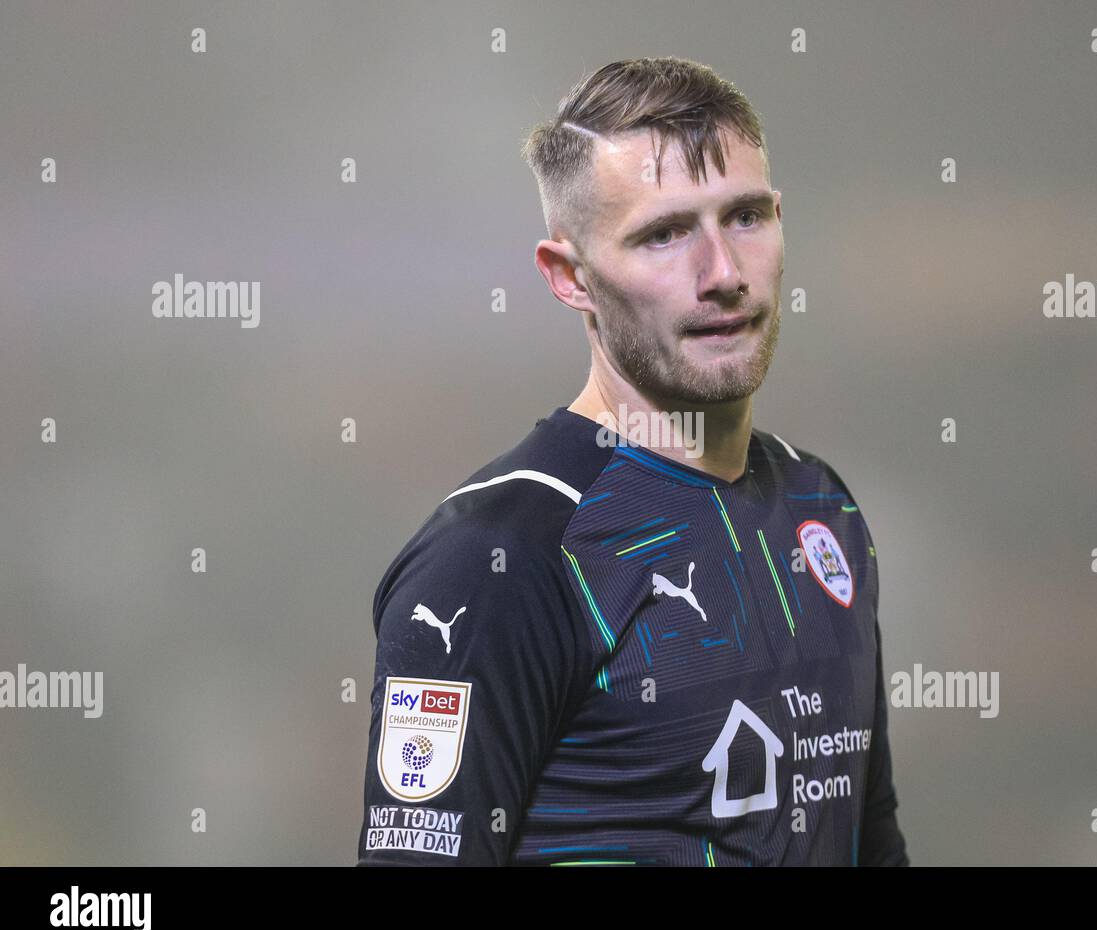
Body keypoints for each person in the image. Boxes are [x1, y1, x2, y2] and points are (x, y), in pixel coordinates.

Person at [356, 56, 908, 866]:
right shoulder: (499, 561)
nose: (722, 275)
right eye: (664, 233)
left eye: (746, 217)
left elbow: (873, 841)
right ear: (569, 277)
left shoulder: (822, 508)